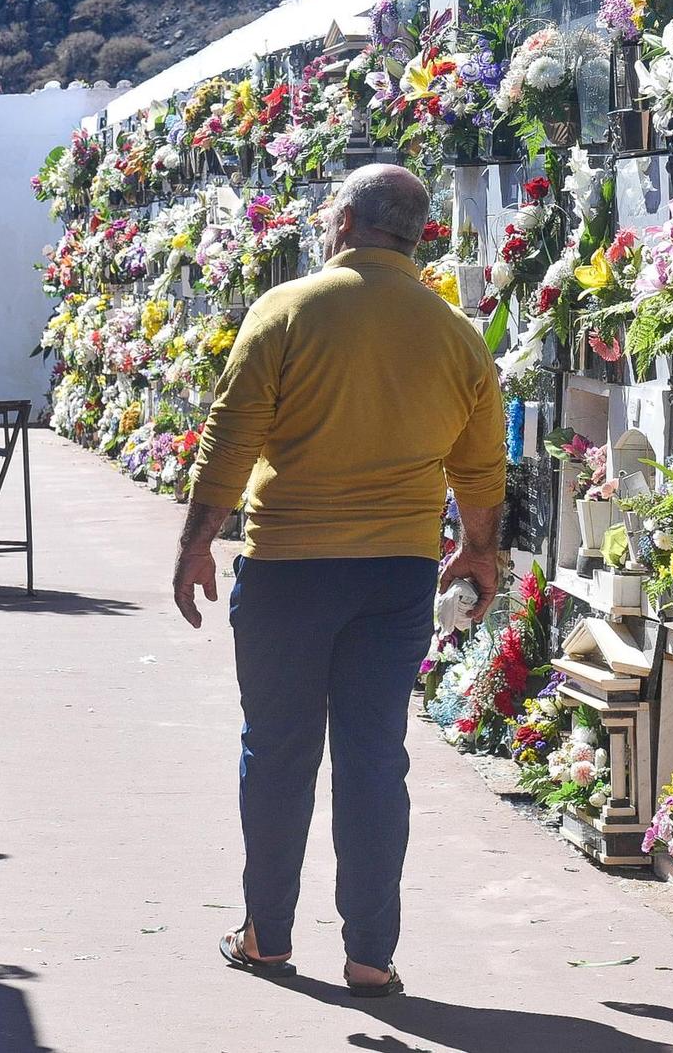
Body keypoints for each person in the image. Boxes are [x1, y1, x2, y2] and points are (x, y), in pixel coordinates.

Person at [171, 165, 506, 999]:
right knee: (372, 758)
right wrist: (477, 551)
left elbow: (230, 436)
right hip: (394, 575)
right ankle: (370, 956)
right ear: (417, 235)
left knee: (278, 751)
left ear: (346, 221)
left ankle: (267, 936)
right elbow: (481, 465)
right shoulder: (455, 333)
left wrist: (194, 545)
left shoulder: (286, 311)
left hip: (288, 566)